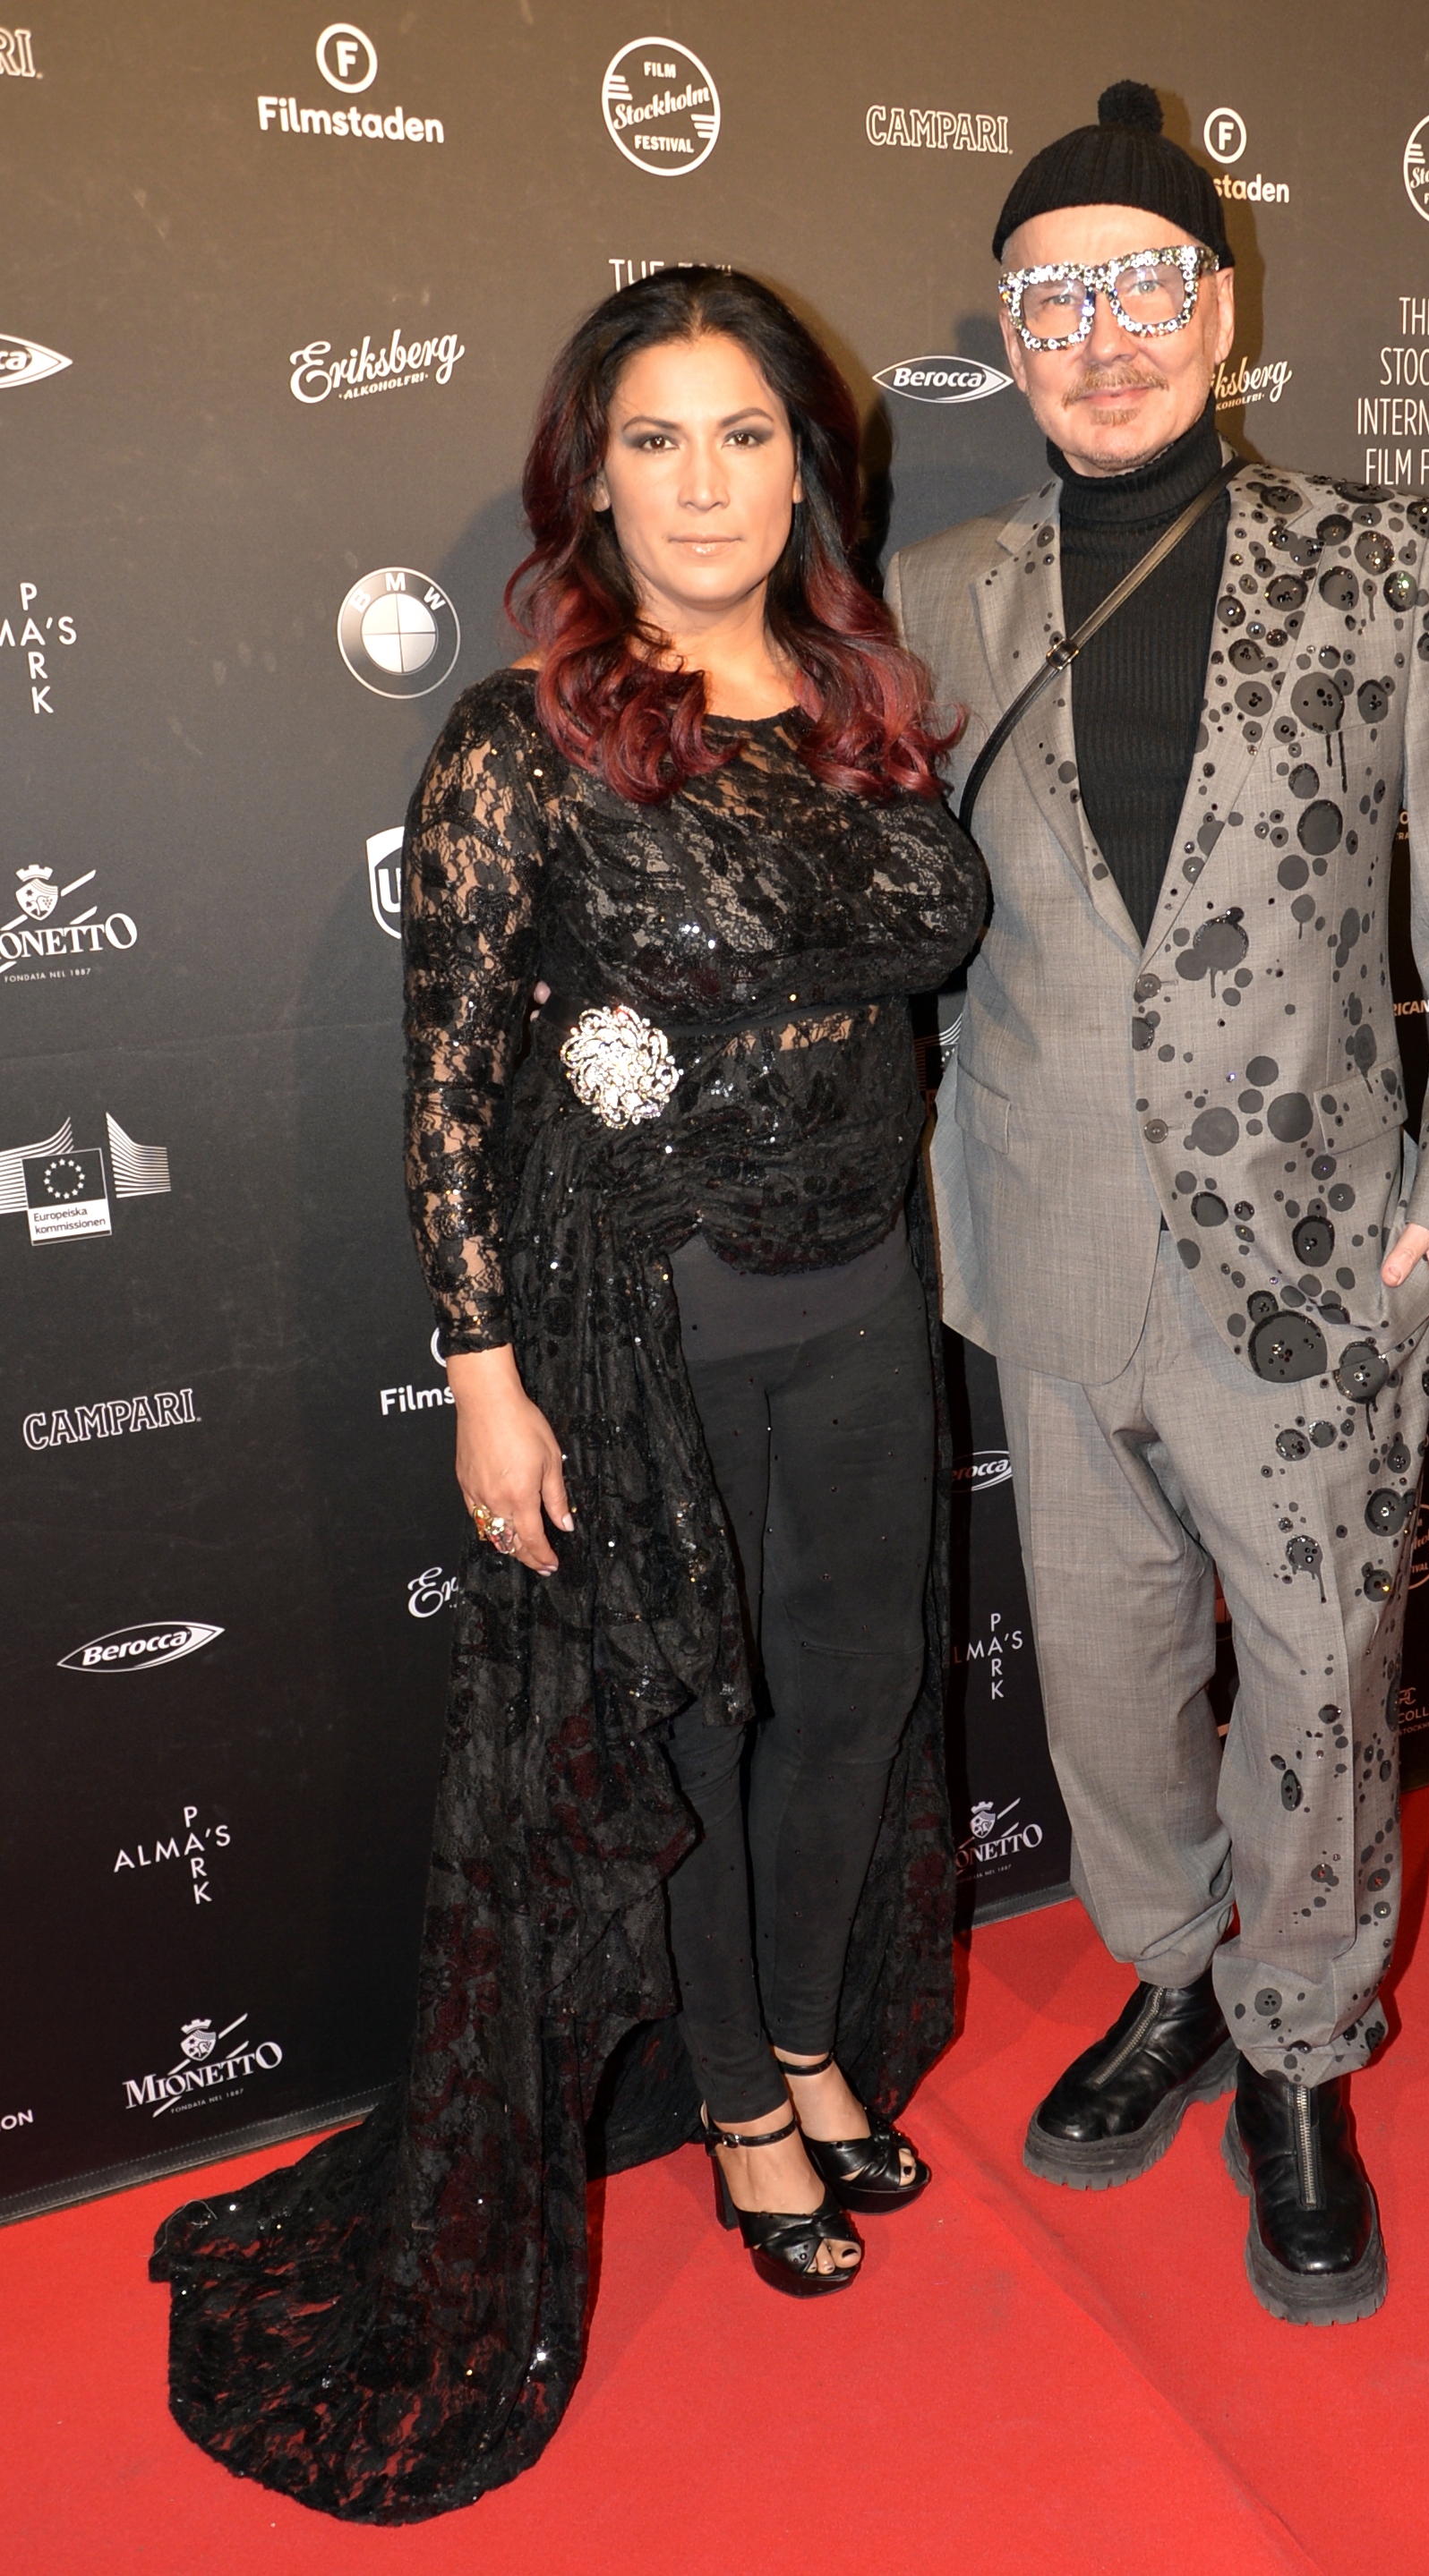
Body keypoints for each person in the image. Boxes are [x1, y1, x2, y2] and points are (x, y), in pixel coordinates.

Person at [150, 269, 986, 2521]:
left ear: (807, 466)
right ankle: (738, 2098)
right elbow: (448, 1076)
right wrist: (483, 1372)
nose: (704, 485)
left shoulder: (866, 698)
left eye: (745, 434)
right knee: (690, 1729)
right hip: (646, 1321)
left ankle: (810, 2035)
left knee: (854, 1692)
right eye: (654, 439)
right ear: (589, 478)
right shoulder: (524, 736)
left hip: (868, 1294)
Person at [886, 84, 1429, 2324]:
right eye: (1049, 299)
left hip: (1316, 1266)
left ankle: (1296, 2044)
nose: (1098, 335)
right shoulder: (935, 599)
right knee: (1102, 1676)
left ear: (1219, 303)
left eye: (1138, 285)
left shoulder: (1384, 560)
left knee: (1319, 1687)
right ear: (1008, 333)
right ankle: (1169, 1971)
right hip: (1046, 1238)